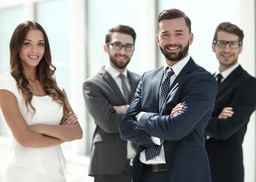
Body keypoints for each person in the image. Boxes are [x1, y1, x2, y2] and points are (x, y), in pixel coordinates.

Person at [119, 8, 218, 182]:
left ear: (191, 38)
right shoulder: (148, 78)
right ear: (158, 39)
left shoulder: (202, 80)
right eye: (165, 34)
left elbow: (175, 129)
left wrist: (141, 116)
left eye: (179, 34)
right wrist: (158, 134)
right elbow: (125, 128)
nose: (172, 41)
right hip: (144, 174)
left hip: (184, 175)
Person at [0, 20, 83, 182]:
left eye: (40, 44)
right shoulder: (6, 83)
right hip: (24, 173)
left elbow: (77, 132)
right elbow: (25, 139)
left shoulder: (54, 84)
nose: (35, 50)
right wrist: (63, 134)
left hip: (56, 172)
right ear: (17, 47)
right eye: (27, 43)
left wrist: (40, 128)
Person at [82, 25, 141, 182]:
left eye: (128, 46)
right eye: (116, 45)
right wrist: (138, 113)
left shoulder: (141, 81)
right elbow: (109, 123)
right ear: (106, 47)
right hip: (108, 167)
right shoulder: (93, 84)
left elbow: (153, 115)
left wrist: (122, 110)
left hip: (141, 166)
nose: (122, 51)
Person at [205, 22, 256, 182]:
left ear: (240, 48)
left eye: (233, 44)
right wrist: (213, 119)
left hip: (225, 172)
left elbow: (223, 130)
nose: (227, 49)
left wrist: (195, 118)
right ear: (213, 46)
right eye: (222, 43)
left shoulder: (248, 84)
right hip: (197, 168)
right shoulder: (206, 82)